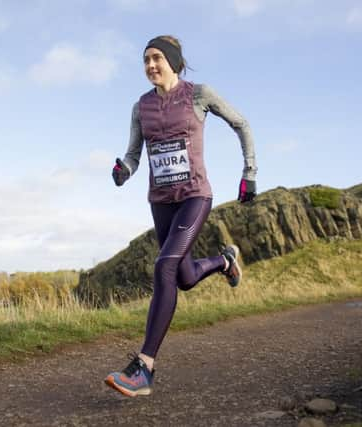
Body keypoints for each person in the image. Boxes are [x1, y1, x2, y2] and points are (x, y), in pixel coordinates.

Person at [104, 35, 257, 397]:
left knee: (164, 267)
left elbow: (242, 124)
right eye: (145, 61)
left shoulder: (199, 95)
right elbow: (134, 154)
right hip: (160, 200)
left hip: (194, 196)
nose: (151, 66)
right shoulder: (141, 107)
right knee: (184, 277)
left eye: (157, 58)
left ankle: (144, 367)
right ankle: (225, 261)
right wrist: (123, 169)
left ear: (173, 60)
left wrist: (249, 172)